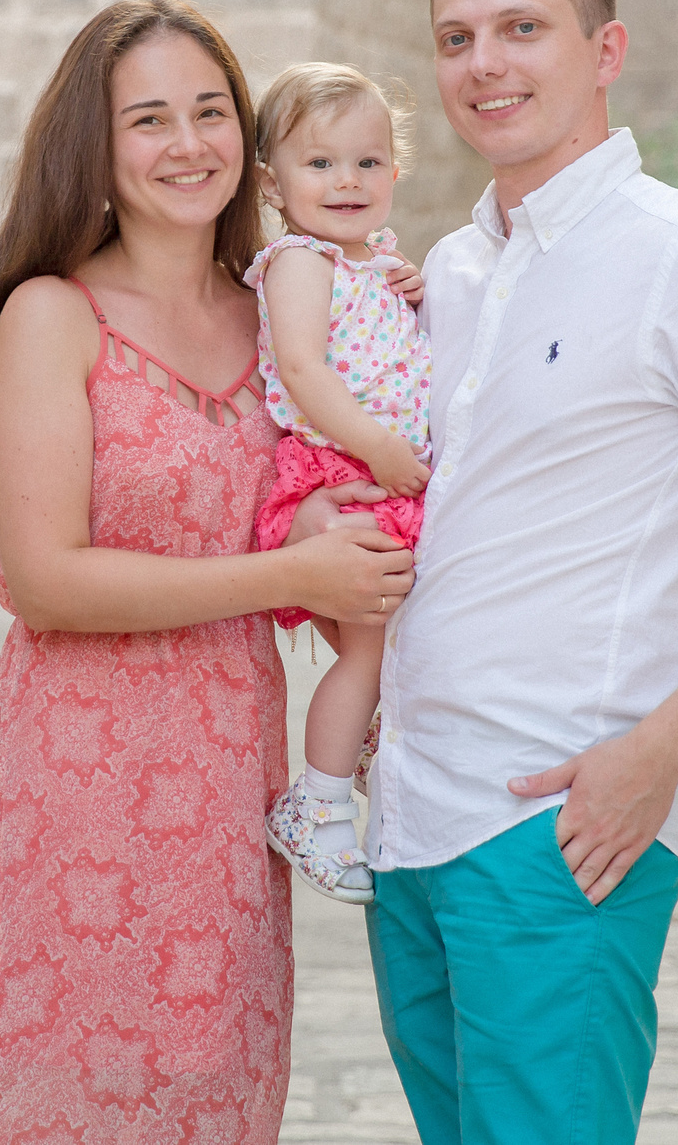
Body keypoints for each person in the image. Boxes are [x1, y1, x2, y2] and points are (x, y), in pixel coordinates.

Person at [294, 0, 678, 1144]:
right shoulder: (441, 275)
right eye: (455, 38)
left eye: (521, 28)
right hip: (412, 823)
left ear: (603, 51)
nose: (484, 64)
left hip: (559, 832)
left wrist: (654, 758)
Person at [0, 0, 417, 1145]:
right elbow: (46, 580)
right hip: (77, 775)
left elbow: (345, 492)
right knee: (60, 1088)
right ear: (95, 146)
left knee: (209, 1081)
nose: (187, 145)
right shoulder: (57, 315)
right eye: (149, 120)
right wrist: (280, 576)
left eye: (209, 112)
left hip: (232, 770)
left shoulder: (286, 316)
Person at [243, 63, 433, 906]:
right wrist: (377, 447)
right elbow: (301, 367)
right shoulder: (298, 261)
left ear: (395, 170)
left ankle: (359, 745)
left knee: (397, 639)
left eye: (367, 161)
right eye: (319, 164)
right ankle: (314, 805)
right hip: (342, 470)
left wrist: (416, 294)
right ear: (272, 184)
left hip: (381, 472)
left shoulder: (378, 264)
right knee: (362, 649)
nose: (346, 181)